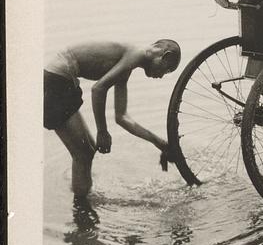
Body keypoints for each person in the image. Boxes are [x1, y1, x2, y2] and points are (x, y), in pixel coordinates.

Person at [43, 39, 181, 199]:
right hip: (57, 79)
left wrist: (160, 143)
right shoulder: (137, 53)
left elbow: (122, 117)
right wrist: (102, 131)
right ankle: (81, 204)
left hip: (62, 79)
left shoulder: (127, 64)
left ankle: (83, 213)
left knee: (86, 152)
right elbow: (98, 89)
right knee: (83, 154)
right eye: (167, 69)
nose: (162, 76)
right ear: (165, 56)